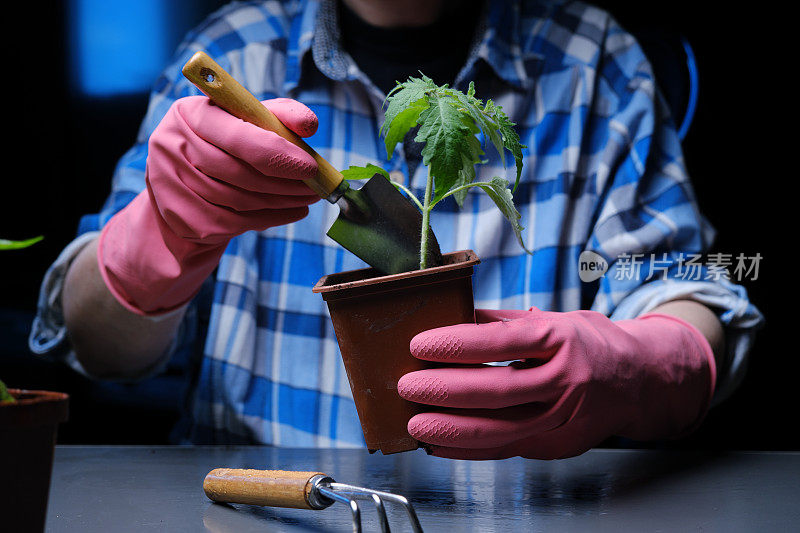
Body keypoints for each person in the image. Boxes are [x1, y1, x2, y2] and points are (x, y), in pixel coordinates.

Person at [31, 0, 763, 458]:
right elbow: (99, 348)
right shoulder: (236, 50)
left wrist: (640, 364)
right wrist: (159, 238)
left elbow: (682, 290)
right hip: (259, 506)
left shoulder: (596, 61)